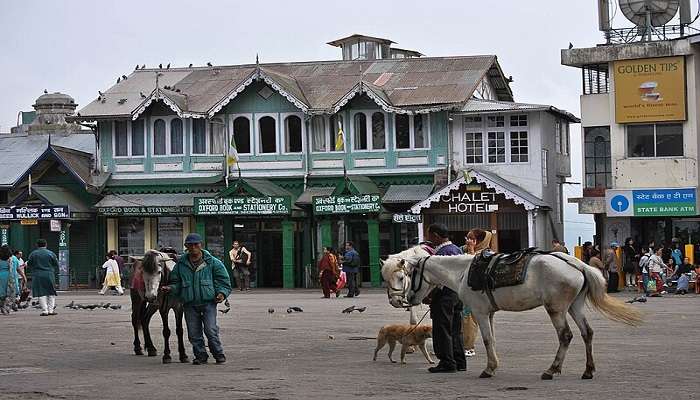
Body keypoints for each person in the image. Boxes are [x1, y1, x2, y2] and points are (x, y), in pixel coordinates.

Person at [162, 233, 231, 365]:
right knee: (194, 333)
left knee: (210, 330)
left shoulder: (213, 262)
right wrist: (171, 288)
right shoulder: (181, 265)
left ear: (201, 245)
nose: (193, 247)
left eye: (196, 244)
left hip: (208, 303)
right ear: (186, 247)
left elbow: (224, 281)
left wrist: (222, 294)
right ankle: (200, 356)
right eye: (190, 245)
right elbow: (176, 282)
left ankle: (218, 353)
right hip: (189, 304)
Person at [426, 223, 466, 373]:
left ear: (436, 235)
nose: (428, 238)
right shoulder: (456, 249)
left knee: (442, 329)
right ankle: (459, 361)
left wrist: (429, 295)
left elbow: (439, 279)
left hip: (444, 295)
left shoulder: (442, 253)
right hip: (457, 293)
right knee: (456, 329)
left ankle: (447, 362)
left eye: (429, 235)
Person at [461, 228, 492, 358]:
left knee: (469, 320)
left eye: (471, 239)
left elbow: (471, 266)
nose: (468, 242)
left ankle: (469, 346)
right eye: (467, 238)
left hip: (476, 293)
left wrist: (472, 251)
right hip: (464, 292)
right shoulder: (464, 250)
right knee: (462, 319)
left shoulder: (486, 254)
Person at [27, 239, 59, 316]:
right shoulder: (51, 253)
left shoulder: (33, 254)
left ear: (37, 245)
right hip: (49, 274)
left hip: (37, 275)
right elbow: (56, 264)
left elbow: (29, 264)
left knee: (41, 293)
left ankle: (45, 311)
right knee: (51, 292)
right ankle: (51, 310)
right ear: (46, 245)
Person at [0, 245, 18, 315]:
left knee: (1, 292)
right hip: (8, 276)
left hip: (0, 275)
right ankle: (6, 307)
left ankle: (2, 306)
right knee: (9, 292)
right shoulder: (10, 259)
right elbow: (12, 269)